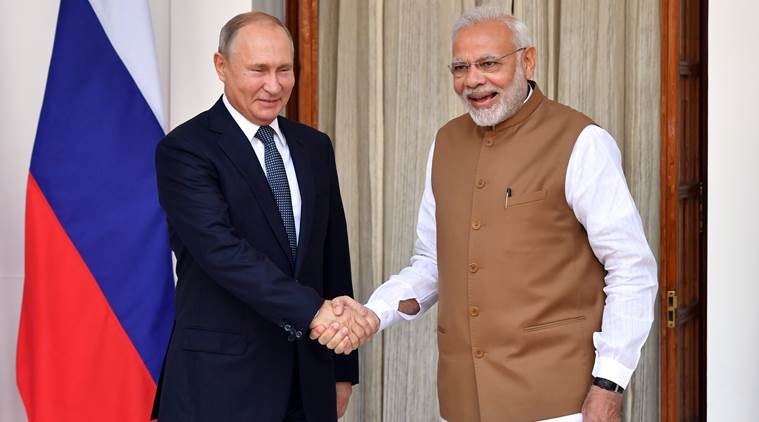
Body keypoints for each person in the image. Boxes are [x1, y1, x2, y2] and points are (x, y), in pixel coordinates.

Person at [312, 6, 658, 422]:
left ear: (527, 61)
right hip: (461, 403)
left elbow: (631, 268)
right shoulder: (446, 142)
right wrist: (373, 313)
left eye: (489, 64)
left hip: (559, 405)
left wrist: (610, 383)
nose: (472, 80)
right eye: (461, 67)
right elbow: (432, 263)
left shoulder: (582, 142)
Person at [152, 12, 375, 422]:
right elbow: (222, 252)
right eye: (258, 70)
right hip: (220, 383)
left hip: (308, 380)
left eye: (284, 70)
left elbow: (332, 255)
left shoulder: (315, 146)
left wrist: (342, 370)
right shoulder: (185, 150)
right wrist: (315, 312)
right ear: (221, 66)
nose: (274, 86)